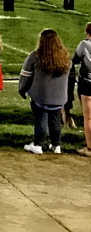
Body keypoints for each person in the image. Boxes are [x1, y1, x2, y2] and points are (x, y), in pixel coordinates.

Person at [18, 29, 71, 155]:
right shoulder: (66, 57)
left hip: (40, 97)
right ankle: (56, 145)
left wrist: (22, 90)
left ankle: (38, 144)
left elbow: (25, 76)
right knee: (55, 120)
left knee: (41, 120)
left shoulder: (35, 56)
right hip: (59, 98)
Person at [72, 22, 91, 157]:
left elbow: (75, 59)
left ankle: (90, 148)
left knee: (89, 118)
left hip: (87, 83)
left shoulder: (85, 44)